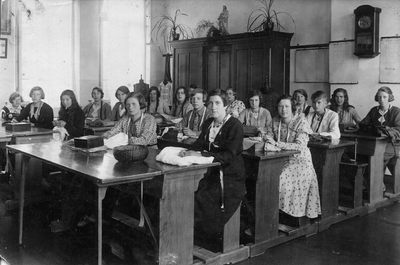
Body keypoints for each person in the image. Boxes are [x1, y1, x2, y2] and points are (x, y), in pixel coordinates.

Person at [180, 88, 246, 238]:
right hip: (212, 174)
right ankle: (199, 236)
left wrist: (200, 154)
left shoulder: (235, 125)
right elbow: (199, 144)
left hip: (230, 177)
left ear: (225, 105)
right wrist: (187, 151)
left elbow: (228, 155)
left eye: (217, 103)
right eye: (210, 103)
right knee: (194, 196)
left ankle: (207, 236)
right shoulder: (208, 123)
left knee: (203, 200)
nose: (213, 107)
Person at [264, 95, 321, 218]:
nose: (283, 109)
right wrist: (266, 137)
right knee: (267, 177)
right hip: (279, 159)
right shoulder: (274, 120)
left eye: (286, 106)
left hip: (300, 161)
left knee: (278, 178)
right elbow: (268, 136)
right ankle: (272, 215)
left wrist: (276, 144)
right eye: (280, 106)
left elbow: (299, 146)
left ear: (292, 108)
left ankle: (282, 214)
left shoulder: (301, 121)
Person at [360, 86, 400, 167]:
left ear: (390, 97)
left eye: (384, 97)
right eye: (379, 97)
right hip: (375, 143)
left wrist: (385, 130)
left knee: (377, 157)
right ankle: (370, 179)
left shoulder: (396, 111)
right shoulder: (374, 110)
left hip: (391, 143)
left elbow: (398, 130)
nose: (382, 99)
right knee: (362, 156)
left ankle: (376, 179)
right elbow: (364, 123)